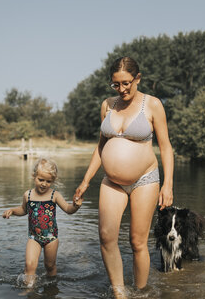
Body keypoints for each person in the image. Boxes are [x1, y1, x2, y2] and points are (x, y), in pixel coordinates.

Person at [73, 56, 174, 294]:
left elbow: (166, 146)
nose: (122, 89)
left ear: (137, 78)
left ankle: (140, 292)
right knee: (107, 238)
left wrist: (167, 185)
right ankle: (119, 292)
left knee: (137, 242)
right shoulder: (107, 105)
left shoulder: (152, 105)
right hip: (111, 182)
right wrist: (86, 181)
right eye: (116, 84)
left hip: (145, 180)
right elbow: (101, 147)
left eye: (127, 82)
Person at [3, 157, 82, 287]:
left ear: (53, 181)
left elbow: (68, 209)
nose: (44, 184)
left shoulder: (54, 195)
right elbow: (24, 210)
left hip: (51, 238)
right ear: (34, 176)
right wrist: (12, 210)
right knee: (29, 265)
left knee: (50, 266)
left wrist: (76, 205)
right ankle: (29, 290)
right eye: (41, 179)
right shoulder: (27, 195)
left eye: (48, 181)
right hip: (34, 237)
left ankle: (51, 288)